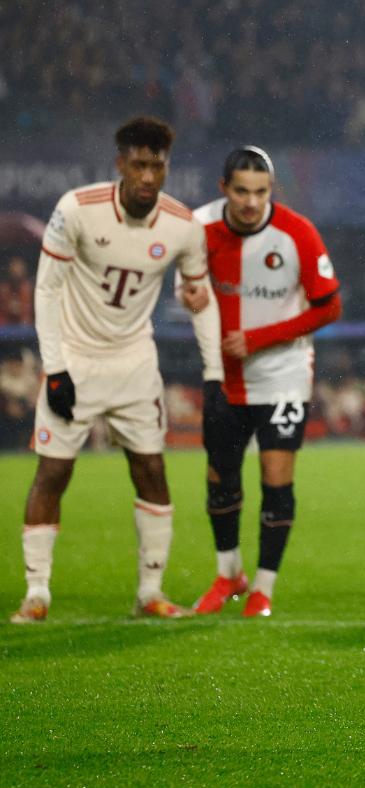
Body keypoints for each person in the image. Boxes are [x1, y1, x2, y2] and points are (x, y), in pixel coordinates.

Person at [11, 115, 222, 623]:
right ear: (120, 164)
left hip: (134, 364)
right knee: (53, 472)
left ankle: (150, 592)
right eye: (139, 165)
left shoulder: (183, 226)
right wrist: (56, 368)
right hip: (77, 360)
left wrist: (213, 372)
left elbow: (199, 295)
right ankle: (37, 594)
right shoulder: (76, 210)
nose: (149, 177)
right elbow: (47, 290)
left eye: (158, 166)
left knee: (150, 469)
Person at [188, 146, 342, 619]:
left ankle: (263, 588)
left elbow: (329, 306)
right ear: (223, 189)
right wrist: (189, 293)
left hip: (282, 377)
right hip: (223, 375)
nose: (252, 202)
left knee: (276, 479)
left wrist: (257, 339)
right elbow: (186, 280)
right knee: (221, 477)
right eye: (241, 191)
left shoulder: (297, 233)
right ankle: (227, 573)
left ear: (271, 189)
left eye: (261, 192)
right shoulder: (199, 228)